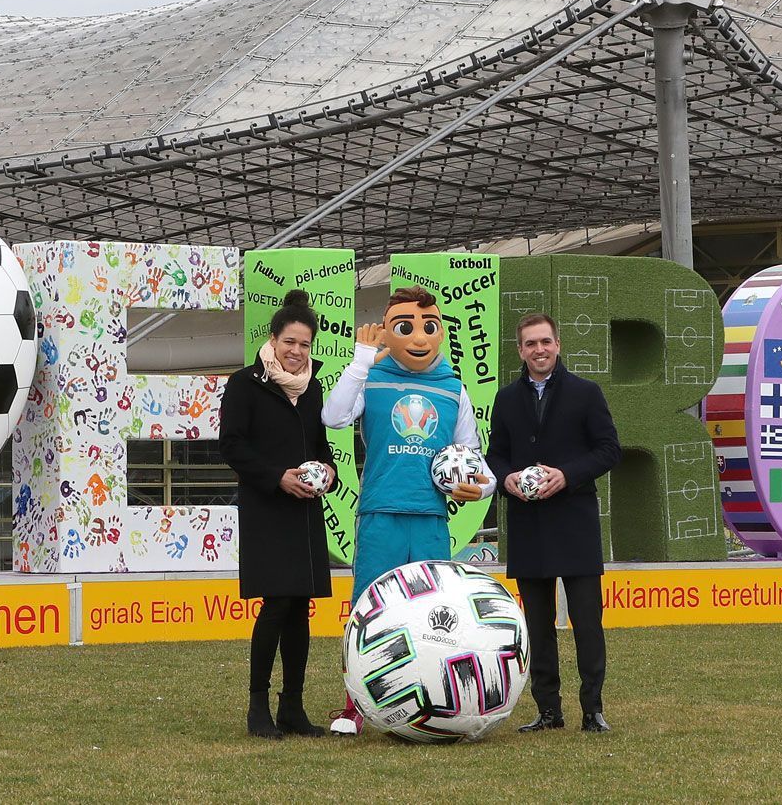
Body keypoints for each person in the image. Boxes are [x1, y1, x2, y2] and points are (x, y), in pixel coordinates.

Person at [321, 285, 492, 735]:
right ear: (388, 331)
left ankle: (437, 698)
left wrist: (481, 487)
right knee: (368, 610)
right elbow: (333, 416)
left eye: (428, 327)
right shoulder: (371, 376)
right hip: (380, 513)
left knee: (436, 614)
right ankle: (354, 705)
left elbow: (474, 460)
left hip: (433, 519)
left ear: (439, 332)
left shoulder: (454, 390)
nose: (418, 337)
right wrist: (361, 357)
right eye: (405, 327)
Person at [486, 312, 621, 733]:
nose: (539, 350)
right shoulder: (505, 399)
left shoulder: (586, 393)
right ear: (520, 350)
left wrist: (567, 474)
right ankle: (548, 711)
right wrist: (506, 478)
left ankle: (592, 709)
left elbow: (608, 450)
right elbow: (495, 454)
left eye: (545, 342)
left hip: (575, 521)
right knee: (537, 625)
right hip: (529, 526)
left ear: (558, 345)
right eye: (530, 344)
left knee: (586, 621)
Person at [220, 290, 336, 740]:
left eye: (305, 344)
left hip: (305, 511)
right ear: (273, 339)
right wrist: (276, 478)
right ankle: (257, 707)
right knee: (276, 604)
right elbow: (231, 444)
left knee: (300, 609)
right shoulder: (244, 383)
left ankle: (292, 707)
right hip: (267, 508)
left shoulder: (314, 389)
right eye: (290, 342)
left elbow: (323, 449)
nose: (297, 351)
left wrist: (328, 472)